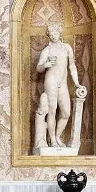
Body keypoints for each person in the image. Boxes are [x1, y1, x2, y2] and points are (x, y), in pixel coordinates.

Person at [33, 22, 86, 153]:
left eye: (55, 33)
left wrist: (77, 83)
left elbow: (72, 66)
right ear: (48, 36)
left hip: (62, 83)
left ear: (59, 33)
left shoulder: (67, 48)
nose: (53, 36)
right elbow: (38, 68)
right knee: (52, 110)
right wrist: (45, 64)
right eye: (50, 34)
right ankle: (53, 140)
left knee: (66, 112)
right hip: (50, 81)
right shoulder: (47, 50)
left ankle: (57, 136)